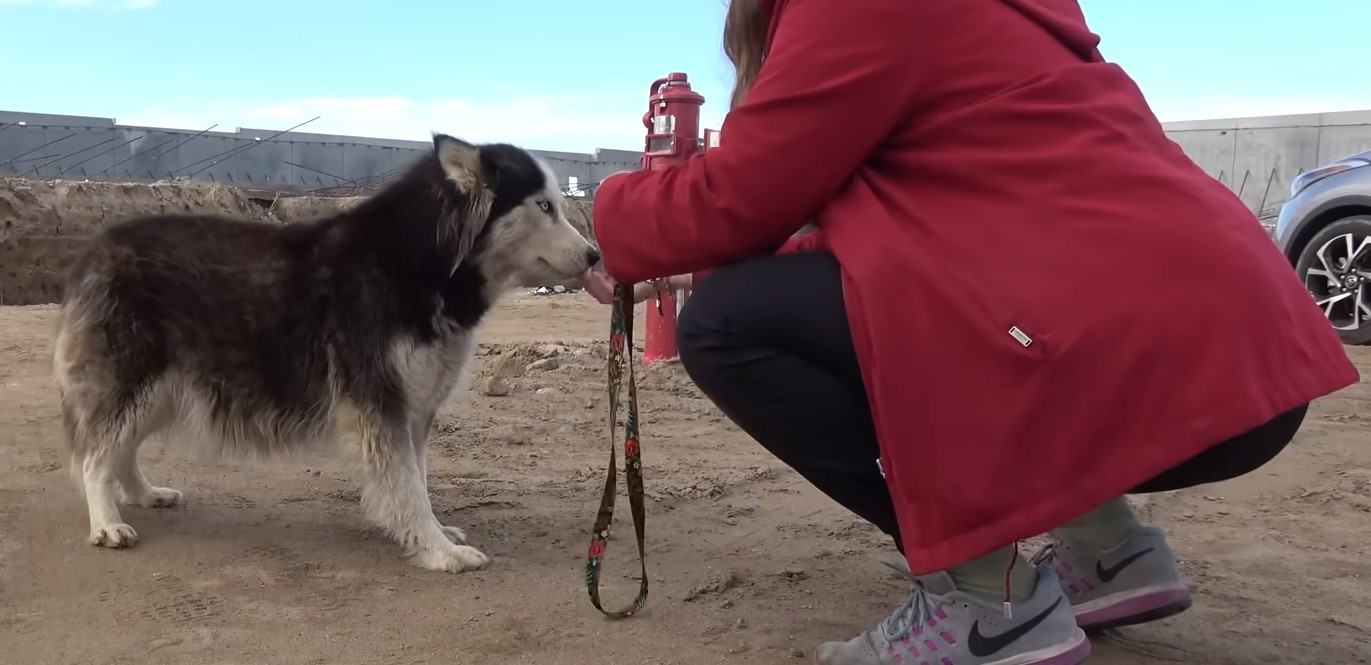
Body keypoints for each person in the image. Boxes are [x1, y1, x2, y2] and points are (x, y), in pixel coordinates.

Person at [580, 0, 1360, 663]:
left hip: (1148, 362)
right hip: (1229, 345)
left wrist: (598, 222)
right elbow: (909, 237)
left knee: (729, 326)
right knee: (913, 313)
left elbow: (743, 192)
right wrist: (693, 265)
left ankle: (987, 597)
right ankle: (1108, 549)